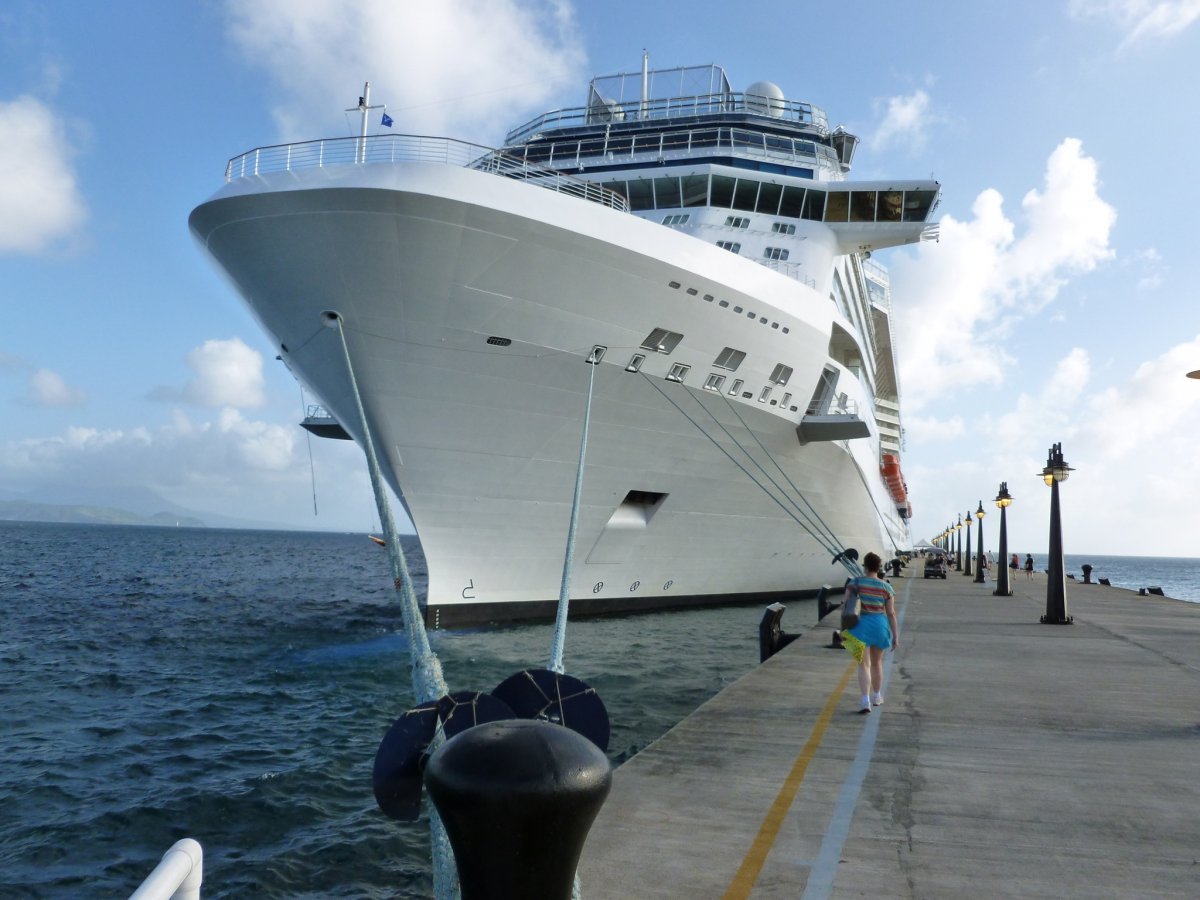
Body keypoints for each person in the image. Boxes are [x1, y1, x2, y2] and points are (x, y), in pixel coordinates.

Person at [841, 552, 898, 714]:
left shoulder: (855, 583)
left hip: (859, 626)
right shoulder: (887, 587)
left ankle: (865, 701)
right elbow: (891, 613)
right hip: (880, 626)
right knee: (877, 663)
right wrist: (896, 636)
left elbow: (846, 605)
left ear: (865, 566)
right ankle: (877, 696)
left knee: (863, 664)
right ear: (879, 567)